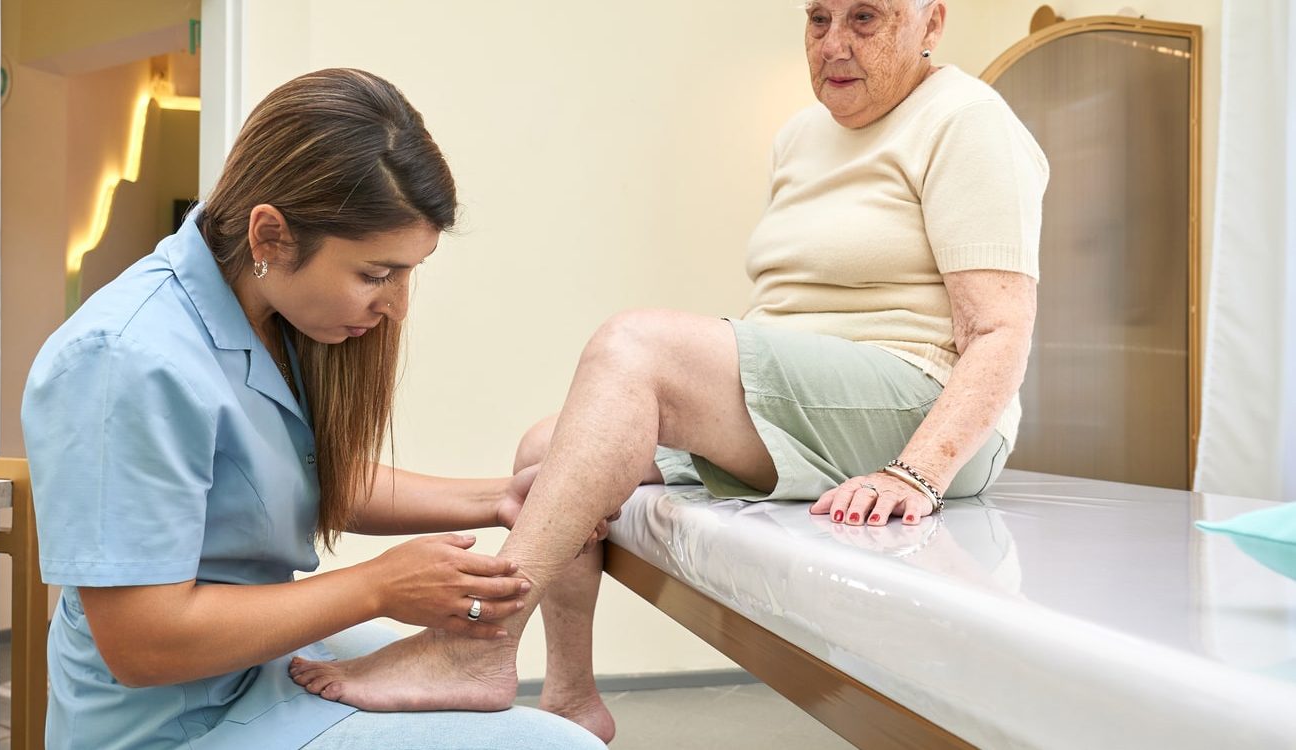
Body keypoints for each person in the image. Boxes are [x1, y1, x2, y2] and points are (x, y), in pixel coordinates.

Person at [287, 0, 1048, 718]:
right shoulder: (800, 136)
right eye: (817, 18)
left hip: (920, 405)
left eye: (865, 17)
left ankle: (478, 642)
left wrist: (915, 472)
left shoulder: (967, 119)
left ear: (931, 23)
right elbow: (791, 315)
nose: (833, 43)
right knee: (546, 451)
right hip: (819, 404)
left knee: (637, 345)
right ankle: (571, 696)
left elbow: (1000, 330)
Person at [21, 68, 607, 749]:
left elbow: (300, 477)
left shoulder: (273, 319)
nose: (394, 306)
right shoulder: (124, 362)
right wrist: (379, 586)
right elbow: (143, 644)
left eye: (408, 273)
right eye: (375, 275)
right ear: (270, 237)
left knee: (467, 676)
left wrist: (502, 497)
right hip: (168, 722)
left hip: (251, 668)